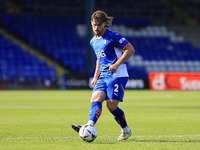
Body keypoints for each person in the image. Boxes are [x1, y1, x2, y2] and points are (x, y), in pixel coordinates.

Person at [72, 10, 135, 141]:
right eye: (94, 24)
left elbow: (130, 50)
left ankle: (125, 130)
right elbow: (99, 60)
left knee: (111, 106)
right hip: (103, 76)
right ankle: (89, 125)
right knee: (95, 99)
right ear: (91, 23)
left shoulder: (113, 36)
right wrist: (95, 77)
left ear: (105, 24)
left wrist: (117, 64)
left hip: (117, 75)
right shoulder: (93, 41)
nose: (96, 27)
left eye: (99, 24)